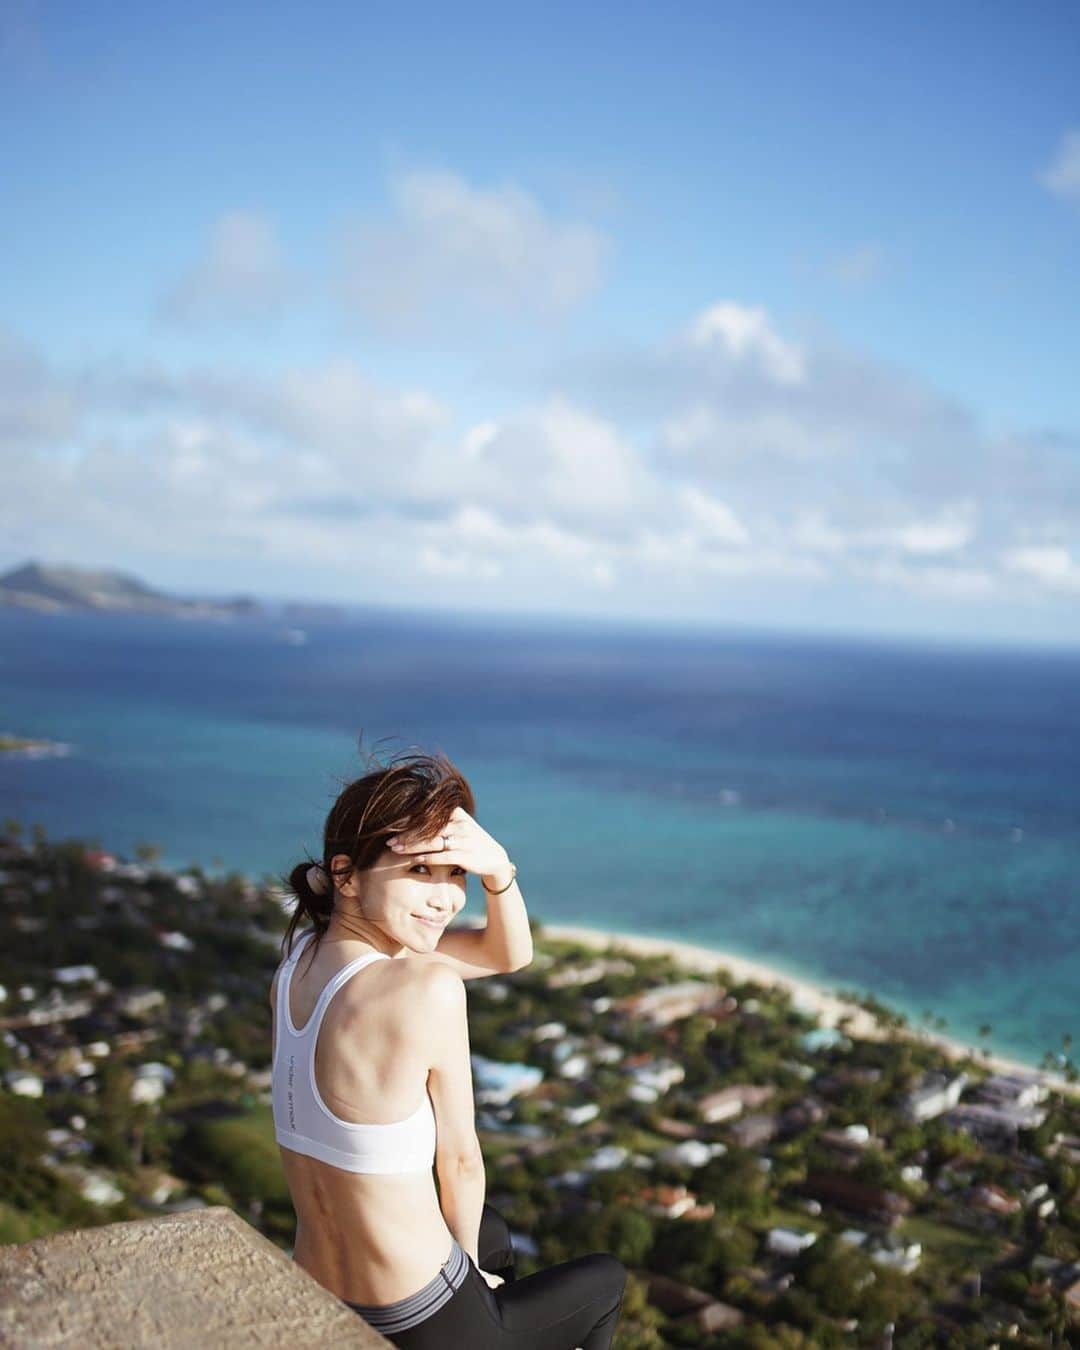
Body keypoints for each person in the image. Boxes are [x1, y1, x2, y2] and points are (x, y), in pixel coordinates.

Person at [270, 746, 627, 1348]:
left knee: (493, 1229)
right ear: (345, 876)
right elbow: (459, 1162)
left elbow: (507, 955)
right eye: (419, 872)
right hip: (417, 1315)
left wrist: (497, 871)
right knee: (605, 1282)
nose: (446, 899)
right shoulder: (423, 987)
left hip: (320, 1290)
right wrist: (475, 1286)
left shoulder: (298, 962)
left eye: (455, 875)